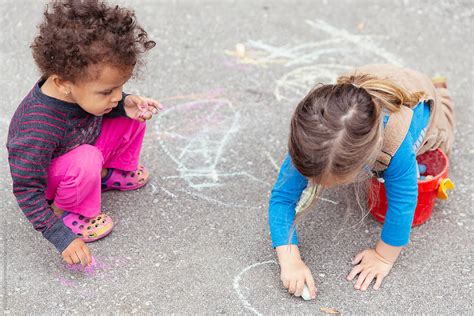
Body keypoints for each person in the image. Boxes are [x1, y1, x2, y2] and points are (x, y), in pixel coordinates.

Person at [268, 64, 455, 299]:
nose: (323, 186)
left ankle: (441, 86)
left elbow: (404, 201)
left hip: (421, 100)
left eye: (329, 181)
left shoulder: (396, 146)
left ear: (366, 158)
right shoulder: (312, 142)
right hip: (378, 84)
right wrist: (290, 261)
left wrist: (383, 257)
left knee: (443, 133)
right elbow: (282, 199)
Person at [7, 0, 160, 267]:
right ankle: (69, 211)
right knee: (87, 158)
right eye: (106, 91)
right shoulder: (37, 127)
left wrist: (124, 103)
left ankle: (104, 175)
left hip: (79, 150)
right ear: (63, 82)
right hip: (55, 183)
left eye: (118, 87)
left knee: (131, 115)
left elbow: (96, 108)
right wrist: (60, 236)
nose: (115, 95)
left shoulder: (77, 89)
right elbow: (26, 189)